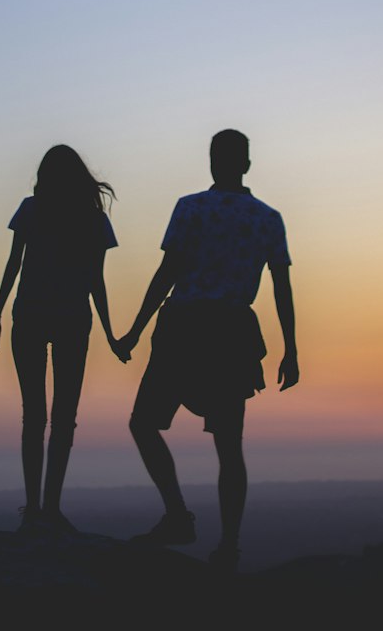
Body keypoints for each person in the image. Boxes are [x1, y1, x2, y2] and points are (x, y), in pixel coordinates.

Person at [117, 129, 298, 572]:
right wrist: (291, 350)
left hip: (184, 326)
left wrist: (136, 331)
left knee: (144, 423)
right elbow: (282, 289)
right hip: (231, 332)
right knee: (229, 445)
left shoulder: (191, 208)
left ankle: (178, 516)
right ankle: (229, 546)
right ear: (247, 165)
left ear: (213, 162)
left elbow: (167, 273)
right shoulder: (267, 218)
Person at [0, 145, 128, 533]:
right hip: (70, 319)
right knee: (63, 418)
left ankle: (35, 509)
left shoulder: (32, 209)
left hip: (30, 315)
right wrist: (112, 335)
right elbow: (95, 282)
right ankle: (48, 508)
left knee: (34, 416)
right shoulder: (93, 220)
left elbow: (14, 264)